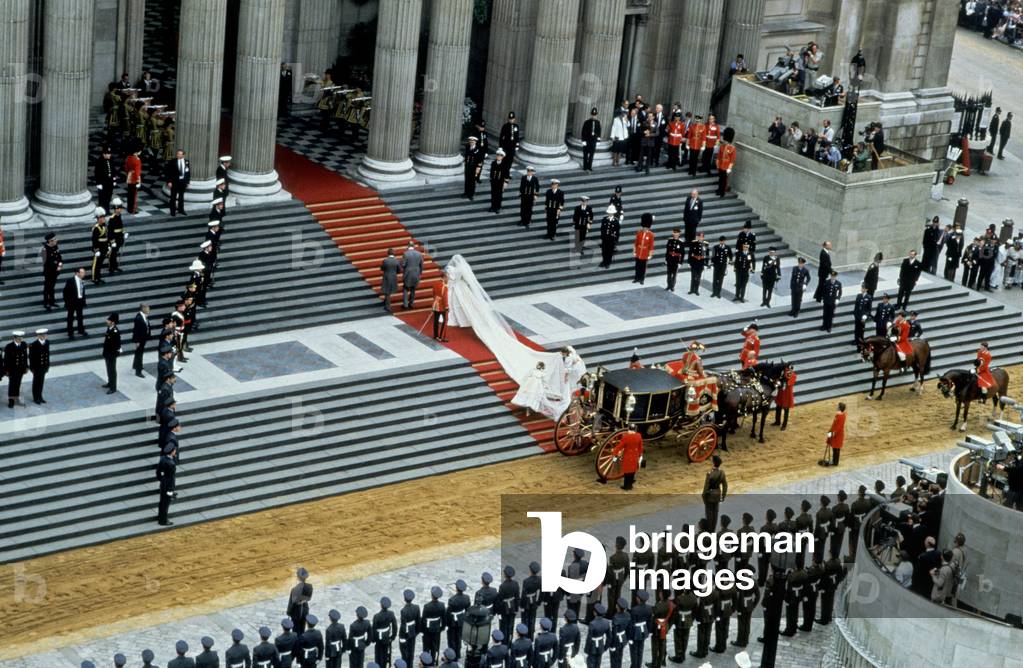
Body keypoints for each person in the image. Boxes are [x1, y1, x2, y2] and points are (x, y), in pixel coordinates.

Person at [5, 331, 29, 408]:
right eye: (18, 338)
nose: (20, 340)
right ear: (14, 338)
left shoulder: (23, 344)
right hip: (12, 370)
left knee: (18, 384)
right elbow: (6, 360)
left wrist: (26, 367)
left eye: (21, 338)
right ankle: (11, 401)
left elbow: (25, 357)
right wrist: (7, 370)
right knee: (12, 385)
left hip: (21, 369)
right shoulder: (9, 346)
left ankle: (16, 400)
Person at [702, 456, 727, 529]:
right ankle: (713, 529)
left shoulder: (709, 473)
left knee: (709, 514)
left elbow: (706, 487)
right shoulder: (722, 472)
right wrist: (723, 496)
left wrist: (704, 497)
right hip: (717, 495)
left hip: (709, 496)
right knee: (715, 513)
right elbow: (725, 485)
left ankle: (709, 530)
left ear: (713, 463)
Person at [26, 329, 50, 405]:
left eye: (45, 335)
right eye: (42, 335)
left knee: (41, 382)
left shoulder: (47, 343)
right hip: (37, 367)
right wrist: (32, 368)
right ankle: (36, 397)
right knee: (36, 382)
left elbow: (47, 355)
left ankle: (40, 396)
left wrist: (47, 365)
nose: (44, 336)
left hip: (44, 366)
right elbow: (31, 357)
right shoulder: (33, 345)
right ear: (38, 336)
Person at [157, 442, 177, 525]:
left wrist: (162, 480)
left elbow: (158, 472)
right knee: (166, 504)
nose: (175, 451)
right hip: (168, 485)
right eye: (174, 450)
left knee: (162, 502)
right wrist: (170, 491)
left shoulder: (162, 459)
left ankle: (161, 517)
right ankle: (163, 521)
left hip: (163, 483)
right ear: (172, 452)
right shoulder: (171, 464)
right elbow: (172, 478)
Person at [165, 148, 191, 216]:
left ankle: (181, 210)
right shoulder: (172, 161)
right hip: (174, 182)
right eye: (177, 154)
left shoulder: (186, 162)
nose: (178, 155)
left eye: (180, 154)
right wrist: (169, 182)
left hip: (183, 182)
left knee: (181, 197)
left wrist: (187, 182)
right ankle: (172, 211)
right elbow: (168, 172)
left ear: (183, 155)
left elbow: (188, 173)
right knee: (173, 197)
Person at [101, 313, 121, 394]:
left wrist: (114, 353)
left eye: (109, 320)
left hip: (112, 354)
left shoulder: (115, 331)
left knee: (112, 370)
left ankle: (113, 387)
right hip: (107, 353)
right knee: (108, 369)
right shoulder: (109, 328)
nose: (107, 321)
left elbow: (117, 344)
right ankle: (110, 383)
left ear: (113, 322)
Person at [633, 213, 655, 284]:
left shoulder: (651, 235)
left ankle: (642, 279)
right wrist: (634, 252)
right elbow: (636, 243)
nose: (645, 228)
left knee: (643, 267)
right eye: (644, 227)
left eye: (646, 227)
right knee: (637, 266)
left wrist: (650, 255)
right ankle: (637, 277)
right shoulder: (639, 233)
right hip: (639, 252)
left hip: (645, 253)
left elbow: (651, 246)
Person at [401, 242, 424, 309]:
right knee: (413, 289)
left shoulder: (405, 253)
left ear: (408, 246)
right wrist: (420, 273)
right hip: (416, 273)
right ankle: (411, 303)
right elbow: (421, 265)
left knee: (405, 288)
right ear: (414, 246)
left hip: (408, 274)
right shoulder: (419, 254)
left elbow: (403, 265)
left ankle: (405, 305)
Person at [90, 207, 110, 284]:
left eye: (103, 217)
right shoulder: (96, 228)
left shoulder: (104, 225)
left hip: (104, 247)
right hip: (98, 248)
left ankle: (98, 277)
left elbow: (106, 236)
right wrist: (96, 250)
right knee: (96, 264)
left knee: (100, 263)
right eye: (101, 217)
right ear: (98, 219)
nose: (103, 219)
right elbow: (94, 240)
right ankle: (94, 278)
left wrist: (108, 245)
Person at [773, 365, 796, 430]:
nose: (787, 370)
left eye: (788, 369)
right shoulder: (783, 373)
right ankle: (777, 421)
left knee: (786, 410)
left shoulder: (793, 375)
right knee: (778, 407)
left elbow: (788, 383)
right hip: (781, 393)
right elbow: (779, 381)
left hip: (787, 394)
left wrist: (784, 377)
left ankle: (784, 425)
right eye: (787, 369)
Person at [95, 146, 116, 212]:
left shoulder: (111, 159)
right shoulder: (99, 161)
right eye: (108, 154)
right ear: (104, 154)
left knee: (108, 196)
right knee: (102, 198)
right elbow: (97, 173)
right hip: (103, 183)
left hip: (110, 182)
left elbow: (113, 170)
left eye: (110, 153)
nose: (109, 155)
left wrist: (114, 179)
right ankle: (102, 211)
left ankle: (107, 210)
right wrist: (98, 183)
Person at [500, 112, 521, 177]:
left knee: (510, 161)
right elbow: (501, 137)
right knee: (505, 160)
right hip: (506, 146)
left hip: (512, 147)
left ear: (514, 119)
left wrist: (517, 145)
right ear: (508, 119)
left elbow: (517, 136)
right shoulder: (505, 126)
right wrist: (500, 146)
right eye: (510, 119)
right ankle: (503, 173)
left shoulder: (516, 126)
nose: (511, 120)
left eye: (512, 119)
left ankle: (507, 173)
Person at [489, 149, 509, 213]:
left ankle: (498, 207)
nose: (498, 157)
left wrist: (505, 183)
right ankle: (493, 207)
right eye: (497, 155)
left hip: (500, 182)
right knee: (493, 194)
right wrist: (491, 179)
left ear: (502, 157)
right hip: (494, 181)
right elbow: (491, 172)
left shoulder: (505, 165)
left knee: (499, 195)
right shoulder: (493, 163)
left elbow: (506, 175)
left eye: (500, 156)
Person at [432, 274, 450, 342]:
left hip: (436, 304)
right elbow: (445, 298)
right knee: (445, 320)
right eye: (447, 278)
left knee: (436, 320)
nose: (448, 280)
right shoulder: (444, 287)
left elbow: (433, 294)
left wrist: (436, 300)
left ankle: (435, 335)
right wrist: (447, 307)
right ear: (444, 277)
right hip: (442, 306)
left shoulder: (435, 283)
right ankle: (441, 337)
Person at [124, 145, 142, 213]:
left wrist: (129, 174)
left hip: (129, 176)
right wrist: (138, 180)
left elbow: (126, 168)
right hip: (135, 178)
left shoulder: (128, 158)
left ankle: (129, 208)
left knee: (129, 193)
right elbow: (137, 171)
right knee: (134, 195)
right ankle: (132, 209)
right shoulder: (137, 160)